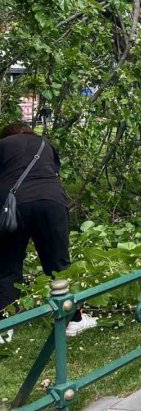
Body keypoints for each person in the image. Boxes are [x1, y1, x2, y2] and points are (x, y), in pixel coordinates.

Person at [0, 122, 97, 337]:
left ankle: (6, 328)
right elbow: (54, 170)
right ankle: (73, 320)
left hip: (13, 206)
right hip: (51, 201)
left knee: (8, 264)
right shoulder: (45, 143)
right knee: (58, 262)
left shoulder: (3, 145)